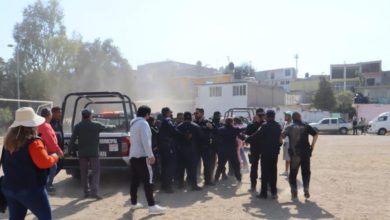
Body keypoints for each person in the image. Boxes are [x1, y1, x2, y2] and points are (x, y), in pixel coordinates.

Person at [1, 107, 59, 219]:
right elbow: (44, 163)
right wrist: (55, 156)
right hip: (29, 188)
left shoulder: (8, 141)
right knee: (46, 218)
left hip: (9, 187)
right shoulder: (34, 142)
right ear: (31, 125)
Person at [129, 105, 166, 213]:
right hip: (142, 156)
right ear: (147, 114)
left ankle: (134, 203)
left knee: (134, 181)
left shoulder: (133, 123)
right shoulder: (143, 123)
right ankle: (151, 206)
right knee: (148, 181)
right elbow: (146, 141)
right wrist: (151, 155)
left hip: (133, 155)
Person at [69, 109, 105, 199]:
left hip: (82, 153)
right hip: (94, 153)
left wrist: (69, 151)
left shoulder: (78, 126)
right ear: (90, 116)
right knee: (95, 172)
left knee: (84, 173)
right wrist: (95, 121)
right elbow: (104, 127)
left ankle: (86, 192)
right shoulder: (96, 125)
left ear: (82, 116)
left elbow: (72, 139)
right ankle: (94, 193)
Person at [247, 110, 282, 199]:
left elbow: (257, 135)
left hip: (266, 152)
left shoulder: (265, 125)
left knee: (265, 172)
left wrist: (247, 139)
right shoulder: (278, 126)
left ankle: (263, 193)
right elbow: (280, 139)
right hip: (274, 153)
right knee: (273, 171)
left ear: (267, 116)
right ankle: (274, 192)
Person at [283, 112, 318, 199]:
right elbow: (316, 135)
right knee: (306, 173)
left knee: (293, 174)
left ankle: (294, 192)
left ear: (293, 118)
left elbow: (281, 136)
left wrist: (280, 142)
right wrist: (312, 146)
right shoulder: (306, 126)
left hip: (295, 154)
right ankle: (306, 190)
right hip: (305, 153)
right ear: (300, 117)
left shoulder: (289, 127)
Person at [37, 108, 64, 193]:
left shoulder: (43, 124)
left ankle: (45, 185)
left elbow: (48, 136)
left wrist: (56, 134)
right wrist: (59, 150)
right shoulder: (45, 126)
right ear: (49, 115)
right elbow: (50, 140)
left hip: (44, 150)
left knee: (47, 168)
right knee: (53, 167)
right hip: (48, 150)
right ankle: (47, 186)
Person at [176, 112, 203, 191]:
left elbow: (175, 138)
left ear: (184, 118)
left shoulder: (179, 126)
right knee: (192, 169)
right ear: (191, 118)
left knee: (181, 168)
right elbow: (201, 138)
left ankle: (180, 184)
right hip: (192, 150)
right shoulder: (196, 126)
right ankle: (193, 185)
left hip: (181, 150)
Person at [214, 118, 243, 183]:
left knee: (220, 165)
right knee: (236, 165)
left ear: (225, 122)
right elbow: (242, 137)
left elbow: (216, 140)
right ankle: (239, 179)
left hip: (223, 150)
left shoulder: (220, 129)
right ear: (232, 122)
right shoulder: (235, 129)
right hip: (232, 150)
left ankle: (216, 178)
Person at [158, 107, 180, 193]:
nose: (171, 113)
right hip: (168, 146)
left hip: (163, 147)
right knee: (170, 166)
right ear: (167, 112)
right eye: (170, 111)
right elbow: (174, 131)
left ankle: (164, 185)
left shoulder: (161, 120)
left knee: (164, 166)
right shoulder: (167, 120)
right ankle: (168, 186)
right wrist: (183, 135)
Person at [245, 108, 266, 192]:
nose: (261, 117)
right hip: (259, 148)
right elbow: (246, 134)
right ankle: (257, 185)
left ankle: (258, 185)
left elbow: (246, 134)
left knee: (259, 166)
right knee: (258, 166)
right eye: (261, 115)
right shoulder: (254, 125)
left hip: (259, 148)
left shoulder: (263, 124)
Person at [194, 108, 214, 186]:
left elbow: (215, 130)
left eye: (197, 113)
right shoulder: (194, 123)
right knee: (195, 164)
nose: (195, 114)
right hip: (196, 147)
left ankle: (207, 181)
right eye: (195, 113)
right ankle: (193, 181)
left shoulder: (207, 122)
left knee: (207, 164)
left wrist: (211, 128)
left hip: (206, 147)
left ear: (202, 113)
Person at [50, 106, 64, 174]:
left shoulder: (58, 121)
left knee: (60, 165)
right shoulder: (50, 123)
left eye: (60, 112)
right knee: (53, 167)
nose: (60, 114)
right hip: (53, 150)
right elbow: (50, 136)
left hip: (59, 148)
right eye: (59, 112)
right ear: (53, 113)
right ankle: (48, 183)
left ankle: (50, 182)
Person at [147, 116, 161, 182]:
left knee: (152, 165)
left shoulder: (147, 128)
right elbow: (158, 134)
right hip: (153, 149)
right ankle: (152, 180)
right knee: (153, 165)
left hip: (150, 149)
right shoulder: (151, 128)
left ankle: (154, 179)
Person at [210, 111, 223, 180]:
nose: (218, 117)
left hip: (218, 144)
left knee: (220, 160)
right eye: (218, 116)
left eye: (219, 116)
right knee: (213, 160)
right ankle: (212, 175)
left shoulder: (220, 124)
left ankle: (222, 174)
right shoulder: (212, 124)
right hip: (214, 144)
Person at [280, 111, 293, 176]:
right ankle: (286, 171)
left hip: (290, 143)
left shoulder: (292, 124)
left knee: (290, 158)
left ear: (290, 117)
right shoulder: (285, 123)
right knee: (287, 158)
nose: (284, 117)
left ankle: (291, 172)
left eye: (286, 115)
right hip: (286, 142)